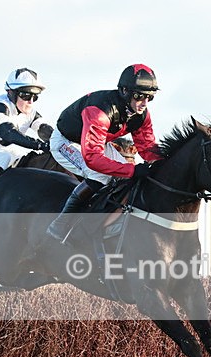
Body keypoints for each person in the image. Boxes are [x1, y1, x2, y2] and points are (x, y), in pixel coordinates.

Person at [46, 64, 162, 242]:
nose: (144, 103)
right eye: (139, 96)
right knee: (101, 175)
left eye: (149, 97)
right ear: (124, 91)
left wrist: (165, 162)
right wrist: (133, 171)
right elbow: (92, 158)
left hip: (96, 142)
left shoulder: (141, 115)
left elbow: (146, 147)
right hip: (67, 141)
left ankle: (109, 223)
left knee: (126, 175)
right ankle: (60, 224)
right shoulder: (99, 111)